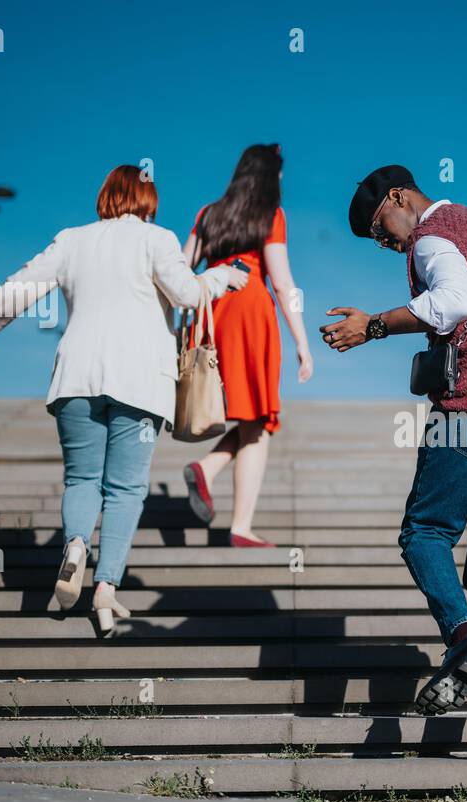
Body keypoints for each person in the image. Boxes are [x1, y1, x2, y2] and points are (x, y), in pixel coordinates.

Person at [321, 165, 467, 760]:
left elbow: (453, 303)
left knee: (425, 533)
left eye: (381, 229)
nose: (388, 244)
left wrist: (372, 326)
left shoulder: (433, 233)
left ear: (399, 197)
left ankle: (463, 639)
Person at [0, 164, 247, 633]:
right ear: (148, 201)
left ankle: (74, 545)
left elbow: (25, 284)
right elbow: (188, 293)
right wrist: (220, 279)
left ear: (106, 196)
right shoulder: (157, 240)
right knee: (127, 489)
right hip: (140, 383)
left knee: (82, 478)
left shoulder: (72, 240)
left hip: (76, 378)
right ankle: (106, 589)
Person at [180, 144, 313, 546]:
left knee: (252, 418)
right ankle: (240, 526)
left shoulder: (207, 213)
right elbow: (283, 282)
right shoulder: (271, 214)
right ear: (269, 176)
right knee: (258, 417)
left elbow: (181, 270)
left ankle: (207, 469)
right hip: (250, 312)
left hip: (211, 311)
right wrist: (302, 342)